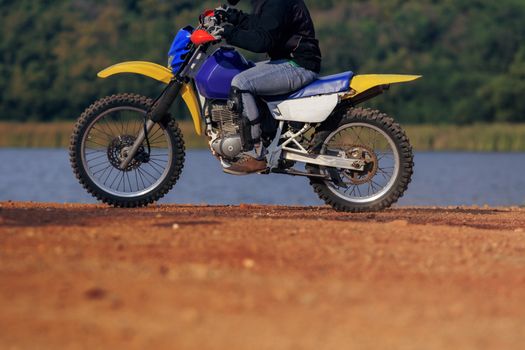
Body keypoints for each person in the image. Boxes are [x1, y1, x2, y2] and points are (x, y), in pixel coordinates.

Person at [216, 0, 322, 175]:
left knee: (241, 83)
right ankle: (267, 136)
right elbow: (260, 25)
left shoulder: (277, 2)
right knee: (245, 73)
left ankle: (255, 154)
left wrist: (227, 32)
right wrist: (231, 17)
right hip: (287, 62)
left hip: (298, 65)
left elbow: (262, 41)